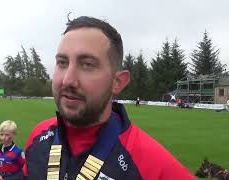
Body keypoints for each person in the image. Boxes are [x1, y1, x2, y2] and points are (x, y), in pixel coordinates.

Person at [23, 16, 194, 180]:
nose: (68, 80)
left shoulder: (155, 166)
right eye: (62, 62)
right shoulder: (39, 135)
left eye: (87, 65)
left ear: (117, 82)